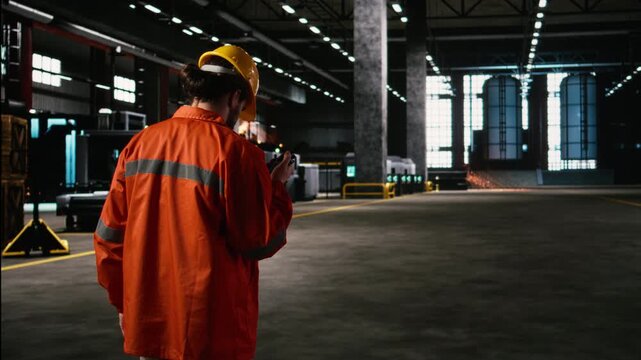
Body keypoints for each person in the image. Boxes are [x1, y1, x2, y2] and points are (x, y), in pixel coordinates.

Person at [94, 45, 294, 360]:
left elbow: (108, 237)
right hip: (211, 331)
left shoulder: (139, 144)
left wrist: (124, 304)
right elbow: (258, 241)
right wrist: (277, 189)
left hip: (148, 324)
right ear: (235, 98)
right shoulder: (238, 153)